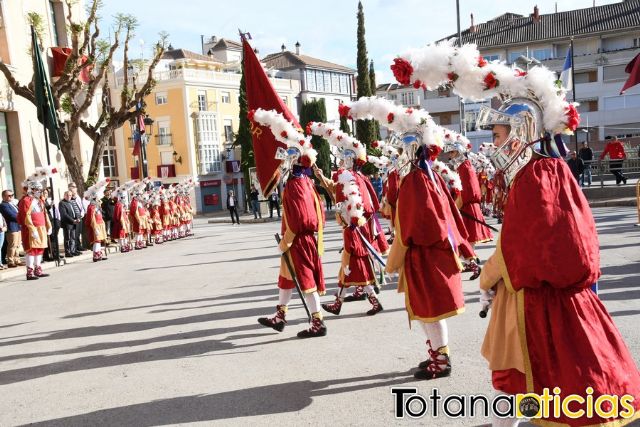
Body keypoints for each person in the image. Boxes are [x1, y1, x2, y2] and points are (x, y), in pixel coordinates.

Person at [340, 97, 467, 381]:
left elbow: (419, 225)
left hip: (423, 254)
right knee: (426, 310)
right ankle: (438, 352)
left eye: (400, 148)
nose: (397, 154)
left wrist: (398, 250)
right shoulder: (421, 176)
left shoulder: (417, 179)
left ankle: (442, 358)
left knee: (429, 310)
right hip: (423, 252)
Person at [251, 108, 327, 338]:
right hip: (300, 240)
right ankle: (280, 315)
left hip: (298, 241)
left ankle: (318, 322)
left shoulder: (296, 184)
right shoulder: (303, 181)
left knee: (306, 281)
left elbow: (299, 220)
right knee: (286, 279)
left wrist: (286, 241)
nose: (283, 157)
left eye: (288, 153)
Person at [18, 167, 55, 280]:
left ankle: (38, 269)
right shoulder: (26, 201)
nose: (40, 192)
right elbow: (25, 216)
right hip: (31, 229)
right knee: (32, 250)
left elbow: (44, 214)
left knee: (40, 249)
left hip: (41, 227)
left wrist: (48, 226)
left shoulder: (40, 201)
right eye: (37, 190)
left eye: (40, 190)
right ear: (31, 189)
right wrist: (32, 229)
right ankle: (30, 272)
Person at [84, 179, 109, 262]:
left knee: (99, 240)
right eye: (97, 199)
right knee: (96, 240)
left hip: (99, 224)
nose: (98, 200)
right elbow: (91, 218)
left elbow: (100, 215)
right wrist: (95, 228)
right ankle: (95, 254)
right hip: (95, 226)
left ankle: (99, 253)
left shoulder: (97, 206)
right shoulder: (91, 207)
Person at [0, 189, 23, 268]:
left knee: (17, 244)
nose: (11, 197)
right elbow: (10, 215)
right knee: (12, 245)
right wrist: (21, 218)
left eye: (12, 195)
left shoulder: (12, 204)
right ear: (3, 196)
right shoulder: (3, 205)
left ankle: (17, 259)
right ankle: (10, 261)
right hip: (11, 227)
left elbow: (19, 212)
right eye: (9, 195)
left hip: (18, 226)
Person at [42, 188, 61, 262]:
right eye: (44, 193)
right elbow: (44, 209)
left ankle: (54, 253)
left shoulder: (46, 200)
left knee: (53, 238)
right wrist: (50, 206)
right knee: (47, 239)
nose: (45, 195)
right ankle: (46, 255)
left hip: (51, 220)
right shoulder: (42, 201)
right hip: (46, 221)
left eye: (46, 193)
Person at [59, 190, 80, 257]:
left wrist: (77, 218)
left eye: (70, 195)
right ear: (64, 195)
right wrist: (72, 220)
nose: (69, 196)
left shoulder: (71, 202)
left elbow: (75, 211)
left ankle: (72, 250)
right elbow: (64, 214)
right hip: (67, 223)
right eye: (67, 195)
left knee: (73, 238)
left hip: (74, 223)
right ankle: (67, 252)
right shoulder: (62, 203)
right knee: (67, 238)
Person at [68, 182, 86, 251]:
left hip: (79, 216)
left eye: (75, 187)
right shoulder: (69, 197)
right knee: (74, 233)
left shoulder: (78, 197)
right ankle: (74, 247)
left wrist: (82, 214)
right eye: (73, 187)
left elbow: (81, 207)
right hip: (73, 217)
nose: (74, 188)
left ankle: (78, 245)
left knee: (78, 232)